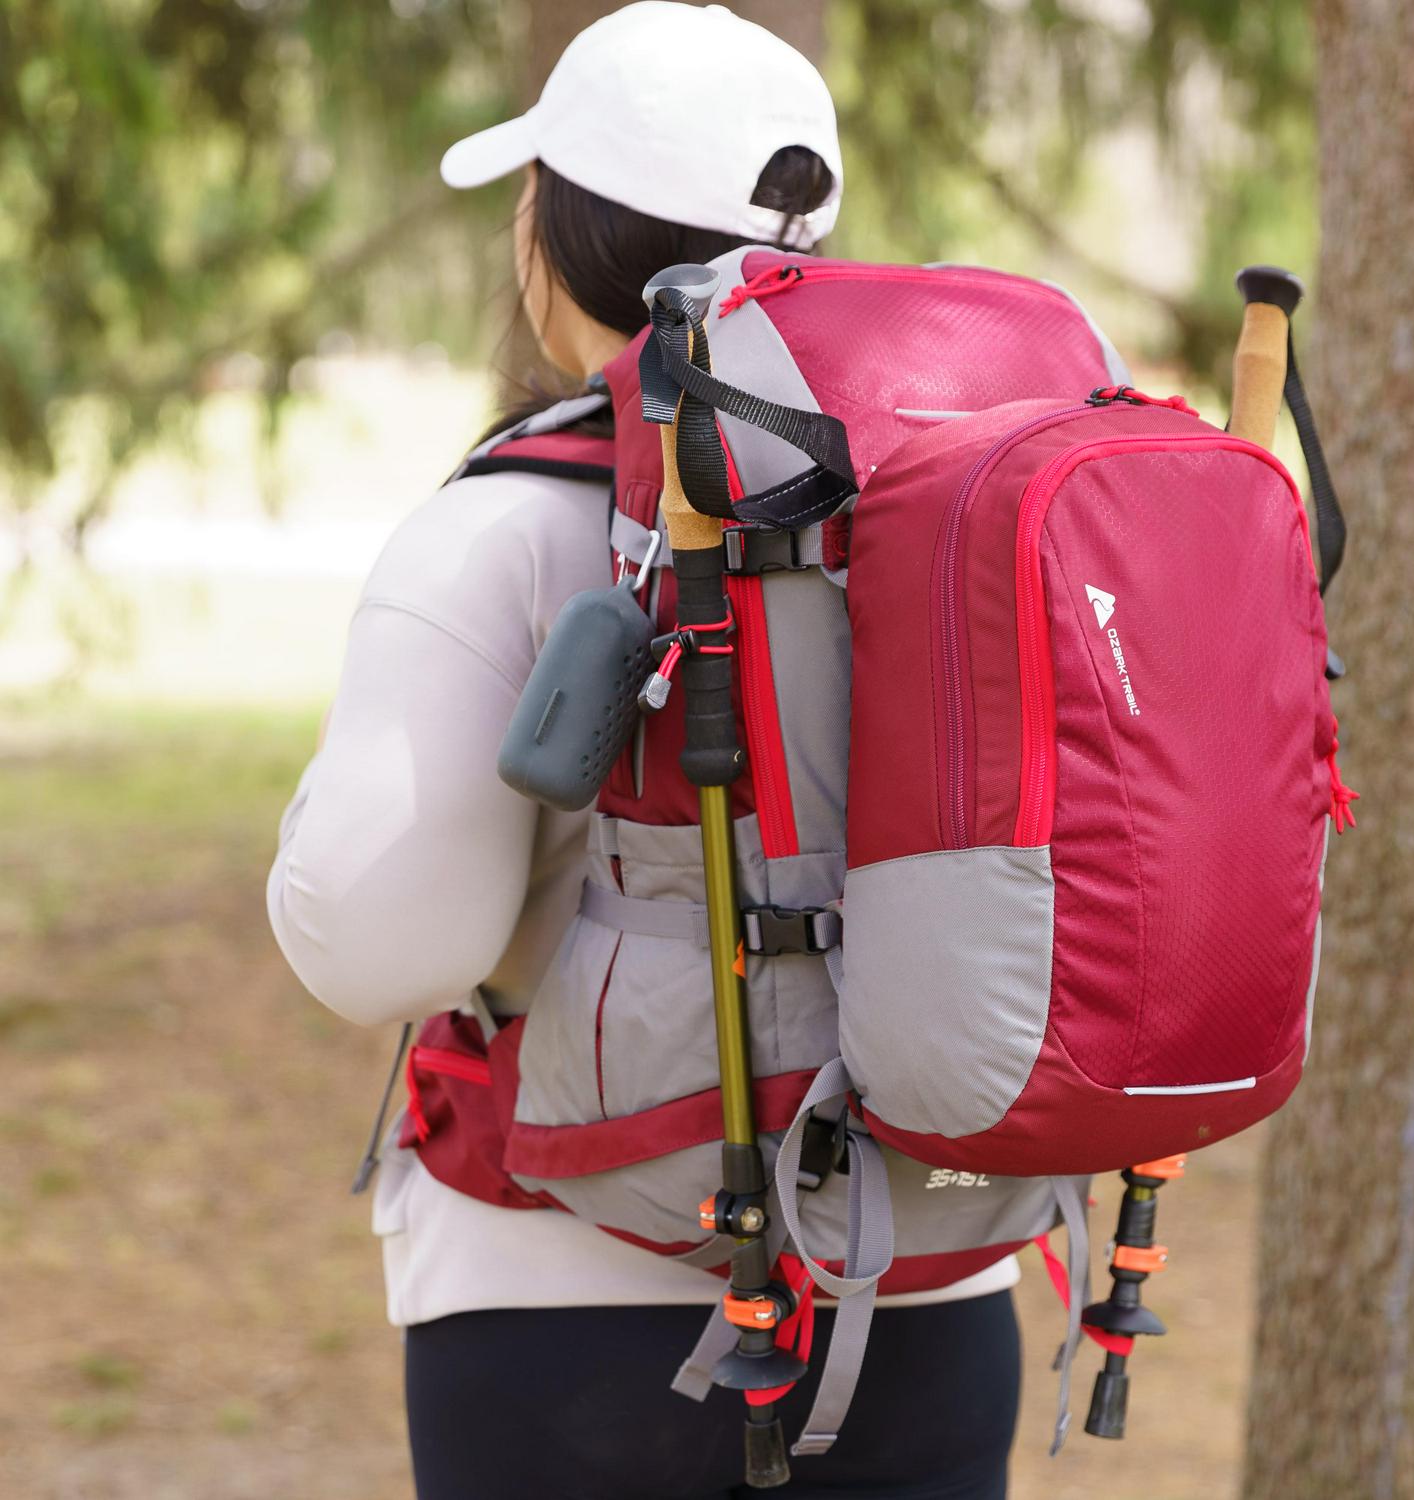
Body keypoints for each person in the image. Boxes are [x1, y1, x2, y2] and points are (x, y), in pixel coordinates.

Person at [268, 6, 1021, 1497]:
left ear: (550, 232)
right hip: (936, 1288)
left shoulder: (500, 526)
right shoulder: (946, 502)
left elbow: (377, 945)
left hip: (566, 1310)